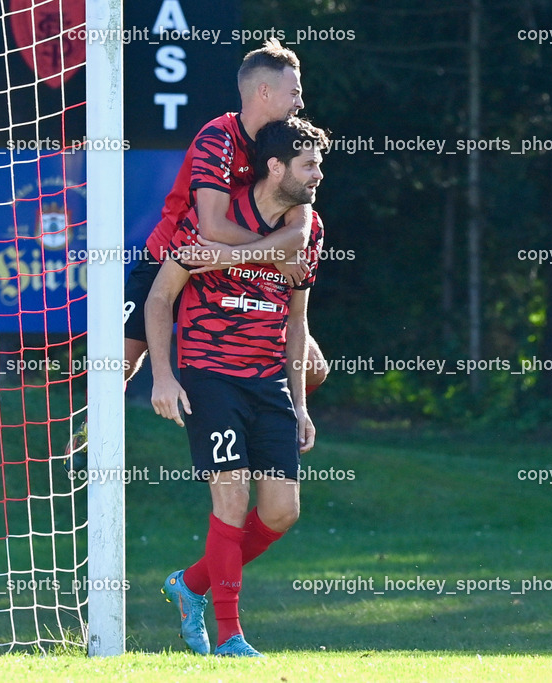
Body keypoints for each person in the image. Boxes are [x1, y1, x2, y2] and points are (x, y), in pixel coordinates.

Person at [64, 40, 327, 463]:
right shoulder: (219, 137)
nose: (300, 102)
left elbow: (299, 230)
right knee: (120, 364)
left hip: (233, 270)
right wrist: (273, 254)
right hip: (174, 256)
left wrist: (267, 253)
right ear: (264, 92)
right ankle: (87, 436)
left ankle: (269, 416)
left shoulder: (286, 145)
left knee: (314, 367)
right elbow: (212, 227)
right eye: (293, 92)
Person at [147, 117, 328, 657]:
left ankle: (190, 584)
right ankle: (230, 638)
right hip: (210, 375)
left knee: (281, 512)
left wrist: (300, 405)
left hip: (268, 381)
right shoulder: (215, 218)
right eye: (309, 165)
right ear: (276, 167)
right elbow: (160, 299)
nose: (318, 175)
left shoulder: (310, 231)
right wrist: (163, 375)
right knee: (231, 496)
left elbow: (297, 322)